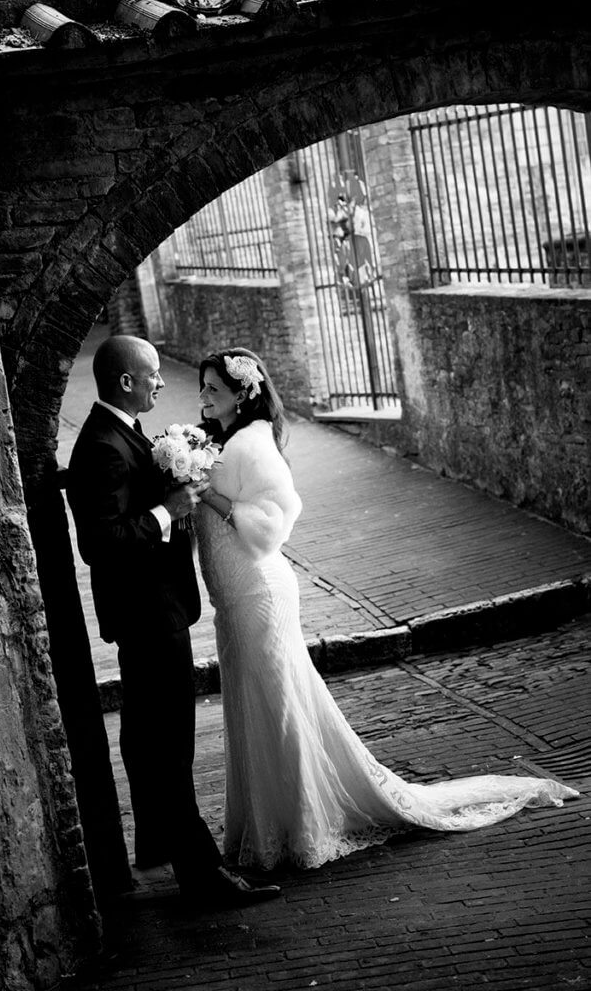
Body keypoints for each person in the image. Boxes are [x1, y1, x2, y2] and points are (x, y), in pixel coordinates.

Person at [194, 347, 579, 871]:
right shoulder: (225, 441)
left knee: (279, 707)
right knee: (253, 705)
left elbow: (268, 528)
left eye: (213, 389)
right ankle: (267, 825)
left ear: (242, 393)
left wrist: (202, 491)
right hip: (233, 600)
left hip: (258, 592)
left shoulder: (251, 444)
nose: (203, 398)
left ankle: (301, 825)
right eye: (202, 388)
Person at [66, 335, 280, 904]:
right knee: (169, 743)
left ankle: (155, 842)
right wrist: (170, 510)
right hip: (147, 612)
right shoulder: (103, 446)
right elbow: (101, 543)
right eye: (154, 375)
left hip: (149, 609)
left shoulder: (119, 431)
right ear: (126, 383)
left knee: (143, 736)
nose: (163, 383)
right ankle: (202, 875)